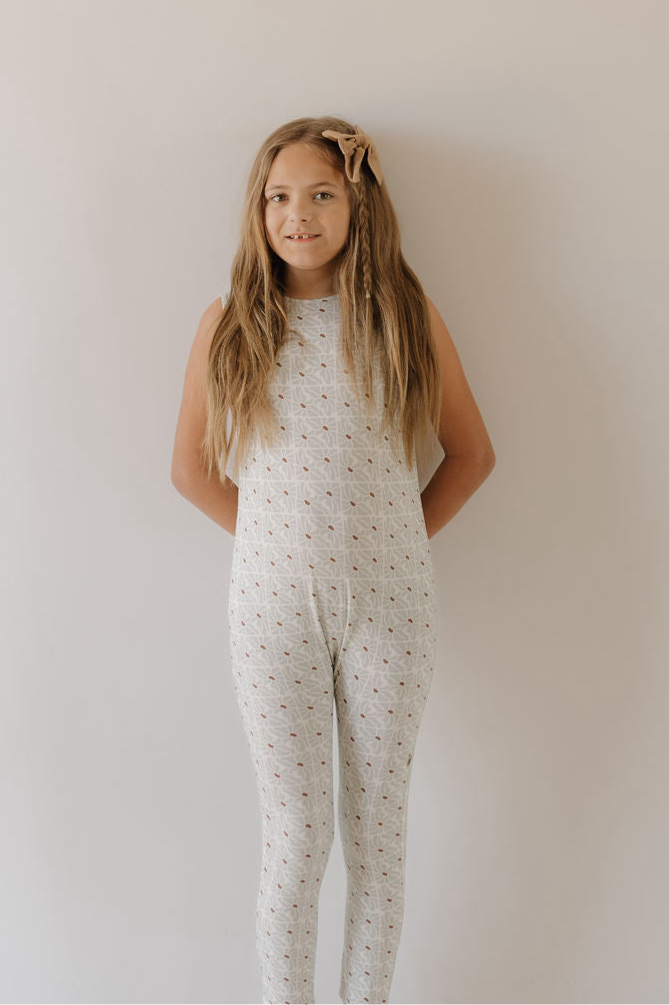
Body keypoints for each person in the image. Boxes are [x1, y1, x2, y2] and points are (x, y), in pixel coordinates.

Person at [171, 115, 495, 1005]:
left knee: (376, 833)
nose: (298, 215)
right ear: (258, 210)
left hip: (392, 612)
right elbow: (190, 469)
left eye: (321, 194)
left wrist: (389, 541)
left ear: (358, 203)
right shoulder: (232, 323)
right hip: (272, 613)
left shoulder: (401, 315)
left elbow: (471, 453)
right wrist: (284, 545)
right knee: (297, 831)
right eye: (280, 197)